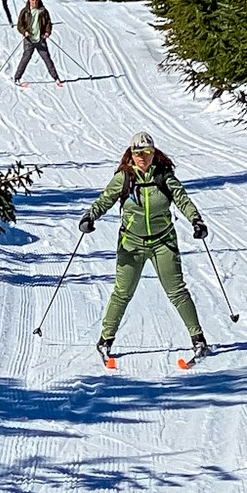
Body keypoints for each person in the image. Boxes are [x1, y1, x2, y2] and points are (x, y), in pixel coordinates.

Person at [80, 130, 210, 362]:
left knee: (177, 290)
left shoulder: (164, 176)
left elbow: (182, 199)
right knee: (122, 292)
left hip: (163, 241)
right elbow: (105, 199)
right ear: (131, 153)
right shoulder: (125, 178)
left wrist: (196, 220)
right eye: (138, 152)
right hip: (131, 243)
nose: (143, 156)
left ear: (154, 153)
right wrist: (90, 217)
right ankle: (105, 340)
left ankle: (198, 340)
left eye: (148, 152)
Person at [14, 0, 60, 82]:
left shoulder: (43, 11)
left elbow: (48, 23)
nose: (34, 2)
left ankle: (56, 78)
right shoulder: (25, 11)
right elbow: (19, 25)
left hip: (40, 39)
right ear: (29, 0)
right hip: (29, 40)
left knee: (47, 58)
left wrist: (47, 32)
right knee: (25, 58)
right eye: (32, 0)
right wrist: (24, 32)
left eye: (36, 0)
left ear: (38, 0)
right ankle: (17, 77)